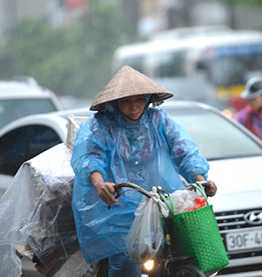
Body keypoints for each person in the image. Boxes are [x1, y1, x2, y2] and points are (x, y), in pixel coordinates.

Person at [70, 65, 217, 277]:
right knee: (126, 263)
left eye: (139, 100)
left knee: (174, 251)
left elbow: (182, 150)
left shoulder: (159, 120)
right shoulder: (100, 126)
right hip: (118, 205)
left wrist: (200, 179)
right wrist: (100, 183)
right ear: (114, 103)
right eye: (127, 101)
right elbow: (90, 157)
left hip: (159, 199)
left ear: (148, 100)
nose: (134, 107)